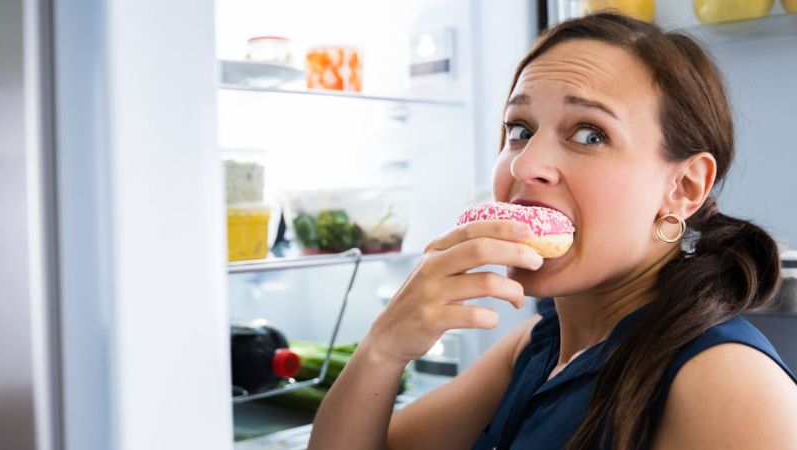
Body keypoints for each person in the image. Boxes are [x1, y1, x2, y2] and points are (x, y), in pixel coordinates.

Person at [307, 12, 797, 450]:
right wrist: (382, 349)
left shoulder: (727, 383)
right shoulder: (538, 346)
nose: (528, 163)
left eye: (590, 134)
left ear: (684, 187)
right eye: (519, 128)